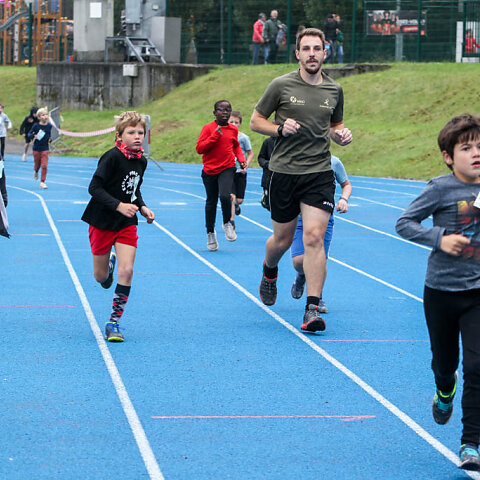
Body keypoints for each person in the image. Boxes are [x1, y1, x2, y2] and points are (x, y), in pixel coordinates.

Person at [250, 27, 352, 332]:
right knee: (281, 240)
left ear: (325, 53)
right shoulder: (281, 85)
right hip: (284, 173)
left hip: (318, 173)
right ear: (297, 54)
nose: (311, 54)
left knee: (314, 237)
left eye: (316, 48)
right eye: (306, 49)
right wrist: (279, 129)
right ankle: (269, 270)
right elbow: (256, 121)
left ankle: (312, 308)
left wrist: (341, 135)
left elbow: (335, 125)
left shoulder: (334, 90)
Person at [396, 114, 480, 471]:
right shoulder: (440, 189)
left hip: (477, 292)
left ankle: (470, 443)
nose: (476, 153)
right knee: (445, 364)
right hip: (442, 292)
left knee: (477, 366)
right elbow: (404, 223)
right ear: (448, 156)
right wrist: (440, 238)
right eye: (467, 148)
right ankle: (445, 389)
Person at [81, 111, 155, 343]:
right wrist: (118, 205)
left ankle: (113, 322)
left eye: (140, 132)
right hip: (102, 221)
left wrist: (142, 207)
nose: (137, 136)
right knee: (101, 277)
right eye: (131, 132)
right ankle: (108, 267)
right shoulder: (111, 157)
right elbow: (94, 188)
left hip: (126, 223)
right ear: (119, 135)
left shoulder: (141, 161)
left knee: (128, 270)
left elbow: (134, 189)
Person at [290, 155, 352, 313]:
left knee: (320, 260)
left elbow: (346, 184)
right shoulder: (297, 158)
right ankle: (302, 275)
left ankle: (317, 297)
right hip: (299, 217)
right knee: (298, 261)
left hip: (324, 217)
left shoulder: (334, 162)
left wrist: (344, 199)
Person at [196, 100, 245, 250]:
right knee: (211, 201)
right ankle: (210, 232)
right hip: (210, 170)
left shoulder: (233, 129)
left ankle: (227, 223)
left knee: (225, 196)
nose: (225, 112)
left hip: (227, 167)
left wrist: (241, 159)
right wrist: (214, 137)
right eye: (221, 109)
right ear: (214, 112)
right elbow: (199, 149)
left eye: (228, 110)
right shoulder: (208, 128)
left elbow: (236, 146)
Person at [228, 110, 253, 226]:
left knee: (239, 200)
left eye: (236, 122)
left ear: (240, 124)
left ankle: (237, 206)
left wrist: (245, 165)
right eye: (231, 122)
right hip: (229, 170)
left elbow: (250, 153)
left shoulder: (243, 138)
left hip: (241, 171)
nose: (234, 124)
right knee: (231, 197)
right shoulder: (225, 137)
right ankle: (231, 221)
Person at [28, 107, 52, 189]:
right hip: (36, 148)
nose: (45, 116)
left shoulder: (49, 126)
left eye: (46, 115)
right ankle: (36, 171)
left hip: (45, 148)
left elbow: (50, 135)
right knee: (37, 165)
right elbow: (29, 134)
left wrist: (50, 139)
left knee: (44, 166)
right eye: (43, 115)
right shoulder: (36, 125)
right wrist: (33, 136)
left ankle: (42, 182)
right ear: (39, 117)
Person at [258, 136, 275, 210]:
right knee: (268, 204)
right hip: (268, 179)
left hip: (285, 178)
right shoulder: (268, 142)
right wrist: (267, 164)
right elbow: (261, 158)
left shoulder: (288, 141)